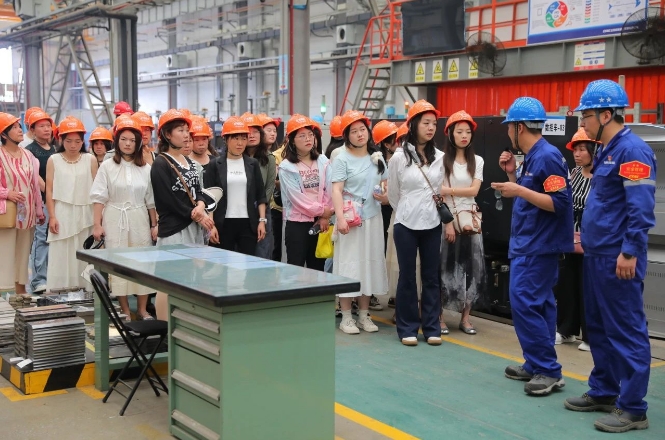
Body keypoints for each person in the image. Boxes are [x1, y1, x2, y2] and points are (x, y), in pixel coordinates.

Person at [563, 80, 655, 433]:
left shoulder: (633, 151)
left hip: (619, 257)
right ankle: (604, 390)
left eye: (586, 116)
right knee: (599, 327)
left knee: (626, 329)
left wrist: (629, 251)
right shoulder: (607, 150)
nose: (582, 124)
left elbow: (640, 208)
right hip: (597, 254)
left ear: (605, 115)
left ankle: (633, 408)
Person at [491, 97, 573, 396]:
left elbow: (559, 204)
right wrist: (513, 175)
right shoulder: (535, 156)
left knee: (525, 301)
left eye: (509, 127)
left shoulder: (547, 157)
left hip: (538, 245)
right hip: (531, 242)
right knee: (540, 304)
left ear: (519, 127)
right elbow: (535, 194)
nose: (508, 132)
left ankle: (548, 370)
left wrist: (518, 189)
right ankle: (537, 362)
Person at [388, 101, 443, 346]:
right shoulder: (399, 158)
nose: (431, 128)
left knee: (431, 277)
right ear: (413, 125)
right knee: (407, 276)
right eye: (426, 123)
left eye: (434, 124)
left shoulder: (440, 157)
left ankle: (431, 328)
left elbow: (439, 189)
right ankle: (407, 328)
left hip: (432, 222)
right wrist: (408, 208)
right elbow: (393, 194)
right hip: (405, 223)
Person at [90, 117, 156, 321]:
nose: (128, 144)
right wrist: (97, 224)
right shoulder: (107, 166)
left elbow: (151, 201)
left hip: (139, 218)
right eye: (124, 139)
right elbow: (99, 197)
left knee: (142, 263)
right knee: (118, 264)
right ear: (117, 141)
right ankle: (125, 309)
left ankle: (143, 309)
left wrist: (155, 224)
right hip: (114, 217)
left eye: (132, 140)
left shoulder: (146, 168)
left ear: (138, 143)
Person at [150, 109, 214, 320]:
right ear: (167, 134)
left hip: (194, 228)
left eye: (187, 130)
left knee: (192, 279)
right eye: (180, 130)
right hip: (174, 230)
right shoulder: (161, 163)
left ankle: (184, 322)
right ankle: (163, 326)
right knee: (169, 281)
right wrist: (195, 214)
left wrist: (201, 205)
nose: (186, 135)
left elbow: (200, 190)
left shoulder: (190, 162)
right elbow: (166, 200)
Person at [332, 110, 388, 335]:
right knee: (349, 264)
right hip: (351, 219)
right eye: (353, 131)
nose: (359, 134)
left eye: (362, 129)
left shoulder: (377, 157)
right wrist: (340, 218)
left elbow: (385, 186)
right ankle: (347, 317)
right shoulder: (342, 158)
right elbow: (337, 190)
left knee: (368, 264)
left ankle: (364, 315)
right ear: (346, 135)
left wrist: (384, 197)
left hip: (373, 217)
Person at [440, 110, 487, 335]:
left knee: (471, 268)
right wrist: (448, 221)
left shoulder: (477, 161)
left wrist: (449, 190)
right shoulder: (441, 160)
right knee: (444, 266)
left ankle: (466, 318)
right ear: (450, 134)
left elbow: (474, 191)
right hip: (448, 218)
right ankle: (439, 316)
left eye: (467, 132)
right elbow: (438, 194)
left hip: (470, 218)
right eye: (459, 131)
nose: (464, 136)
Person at [555, 128, 596, 351]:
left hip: (592, 239)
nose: (577, 154)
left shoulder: (602, 176)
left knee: (588, 288)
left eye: (582, 149)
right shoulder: (574, 173)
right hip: (570, 236)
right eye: (575, 150)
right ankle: (566, 329)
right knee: (567, 285)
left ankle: (590, 336)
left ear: (593, 150)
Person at [45, 117, 98, 291]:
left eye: (77, 141)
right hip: (62, 211)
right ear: (61, 140)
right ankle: (60, 288)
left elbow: (97, 190)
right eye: (68, 141)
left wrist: (98, 218)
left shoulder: (90, 159)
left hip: (86, 211)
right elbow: (49, 190)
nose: (73, 145)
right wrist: (52, 216)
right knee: (61, 250)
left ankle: (87, 288)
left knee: (85, 250)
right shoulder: (54, 159)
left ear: (83, 141)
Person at [204, 116, 267, 255]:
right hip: (223, 223)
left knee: (247, 262)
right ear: (226, 140)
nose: (240, 143)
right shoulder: (215, 164)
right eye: (235, 138)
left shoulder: (252, 164)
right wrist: (211, 226)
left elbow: (261, 195)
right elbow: (209, 198)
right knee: (222, 262)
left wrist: (262, 221)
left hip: (248, 223)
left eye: (244, 139)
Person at [278, 114, 332, 270]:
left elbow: (329, 188)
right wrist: (323, 211)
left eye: (310, 135)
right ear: (291, 140)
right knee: (296, 269)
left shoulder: (323, 161)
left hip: (321, 222)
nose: (308, 139)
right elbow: (297, 198)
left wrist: (324, 216)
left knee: (318, 269)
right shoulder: (287, 167)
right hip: (297, 224)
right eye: (302, 136)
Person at [0, 113, 44, 294]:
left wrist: (39, 211)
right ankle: (4, 294)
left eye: (20, 126)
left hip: (27, 216)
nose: (20, 130)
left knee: (23, 255)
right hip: (6, 216)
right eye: (15, 128)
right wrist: (6, 193)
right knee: (5, 254)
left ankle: (21, 294)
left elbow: (34, 185)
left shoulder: (28, 155)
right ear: (4, 134)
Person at [25, 109, 55, 294]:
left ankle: (53, 276)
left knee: (55, 239)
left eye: (48, 126)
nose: (46, 129)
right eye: (41, 126)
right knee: (42, 239)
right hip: (43, 202)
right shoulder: (30, 151)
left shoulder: (55, 148)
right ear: (32, 130)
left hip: (58, 200)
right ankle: (38, 280)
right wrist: (51, 193)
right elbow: (37, 178)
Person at [242, 113, 276, 260]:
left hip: (261, 210)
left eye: (255, 131)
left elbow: (269, 187)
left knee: (262, 252)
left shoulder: (268, 158)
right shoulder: (235, 158)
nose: (252, 135)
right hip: (240, 211)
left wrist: (259, 206)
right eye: (248, 132)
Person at [385, 122, 412, 310]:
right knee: (400, 263)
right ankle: (400, 304)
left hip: (419, 218)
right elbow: (393, 193)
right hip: (401, 216)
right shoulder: (396, 160)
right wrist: (401, 209)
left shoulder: (432, 157)